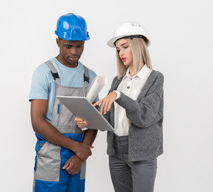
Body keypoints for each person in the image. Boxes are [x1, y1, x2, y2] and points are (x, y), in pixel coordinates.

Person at [76, 21, 164, 192]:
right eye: (118, 49)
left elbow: (145, 116)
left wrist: (118, 95)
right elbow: (108, 118)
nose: (120, 53)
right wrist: (87, 120)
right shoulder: (118, 81)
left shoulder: (155, 79)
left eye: (124, 47)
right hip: (116, 152)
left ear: (137, 45)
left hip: (142, 153)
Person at [29, 13, 98, 192]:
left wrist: (79, 156)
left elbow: (94, 120)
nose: (75, 52)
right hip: (51, 154)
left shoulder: (90, 77)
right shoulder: (44, 73)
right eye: (69, 46)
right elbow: (37, 121)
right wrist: (78, 148)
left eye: (79, 46)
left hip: (78, 156)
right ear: (58, 41)